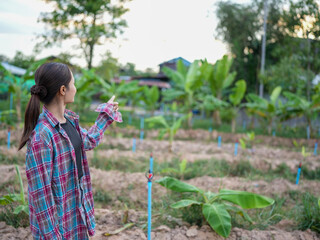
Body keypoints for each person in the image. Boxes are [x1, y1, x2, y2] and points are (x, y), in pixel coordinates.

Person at [18, 62, 122, 239]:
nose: (75, 88)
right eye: (73, 83)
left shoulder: (69, 122)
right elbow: (41, 197)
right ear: (63, 90)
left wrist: (105, 115)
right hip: (57, 228)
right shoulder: (42, 136)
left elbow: (87, 141)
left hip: (75, 216)